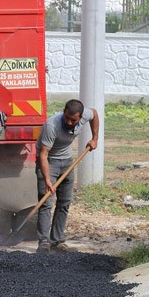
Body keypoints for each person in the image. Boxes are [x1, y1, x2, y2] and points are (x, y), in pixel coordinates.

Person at [35, 99, 99, 253]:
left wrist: (95, 138)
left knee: (64, 202)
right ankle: (43, 242)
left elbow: (95, 114)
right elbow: (43, 155)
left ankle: (56, 242)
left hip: (68, 162)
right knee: (46, 203)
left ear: (80, 117)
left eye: (74, 120)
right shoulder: (52, 126)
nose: (70, 123)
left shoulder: (85, 115)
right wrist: (48, 180)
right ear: (64, 112)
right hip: (49, 161)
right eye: (67, 118)